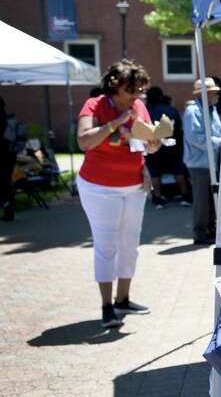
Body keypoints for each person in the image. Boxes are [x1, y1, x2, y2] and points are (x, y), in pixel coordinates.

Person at [75, 59, 160, 328]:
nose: (136, 96)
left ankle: (123, 300)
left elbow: (147, 146)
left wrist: (154, 142)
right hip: (99, 188)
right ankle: (107, 306)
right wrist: (116, 123)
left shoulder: (138, 106)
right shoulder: (95, 105)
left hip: (134, 186)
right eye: (131, 90)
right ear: (115, 87)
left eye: (139, 90)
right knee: (106, 244)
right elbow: (84, 141)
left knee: (130, 244)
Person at [183, 78, 221, 245]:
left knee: (213, 199)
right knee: (202, 200)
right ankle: (200, 234)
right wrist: (219, 142)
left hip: (212, 162)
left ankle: (212, 230)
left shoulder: (211, 109)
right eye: (214, 92)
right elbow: (195, 138)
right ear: (204, 95)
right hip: (199, 164)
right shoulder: (193, 111)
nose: (218, 95)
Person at [144, 87, 190, 208]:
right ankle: (185, 196)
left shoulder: (146, 111)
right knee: (178, 170)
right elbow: (179, 129)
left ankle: (158, 199)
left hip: (154, 146)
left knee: (154, 172)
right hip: (172, 145)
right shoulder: (171, 109)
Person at [0, 97, 27, 222]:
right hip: (11, 155)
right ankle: (9, 208)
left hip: (3, 154)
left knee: (3, 183)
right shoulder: (7, 118)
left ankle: (7, 207)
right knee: (7, 182)